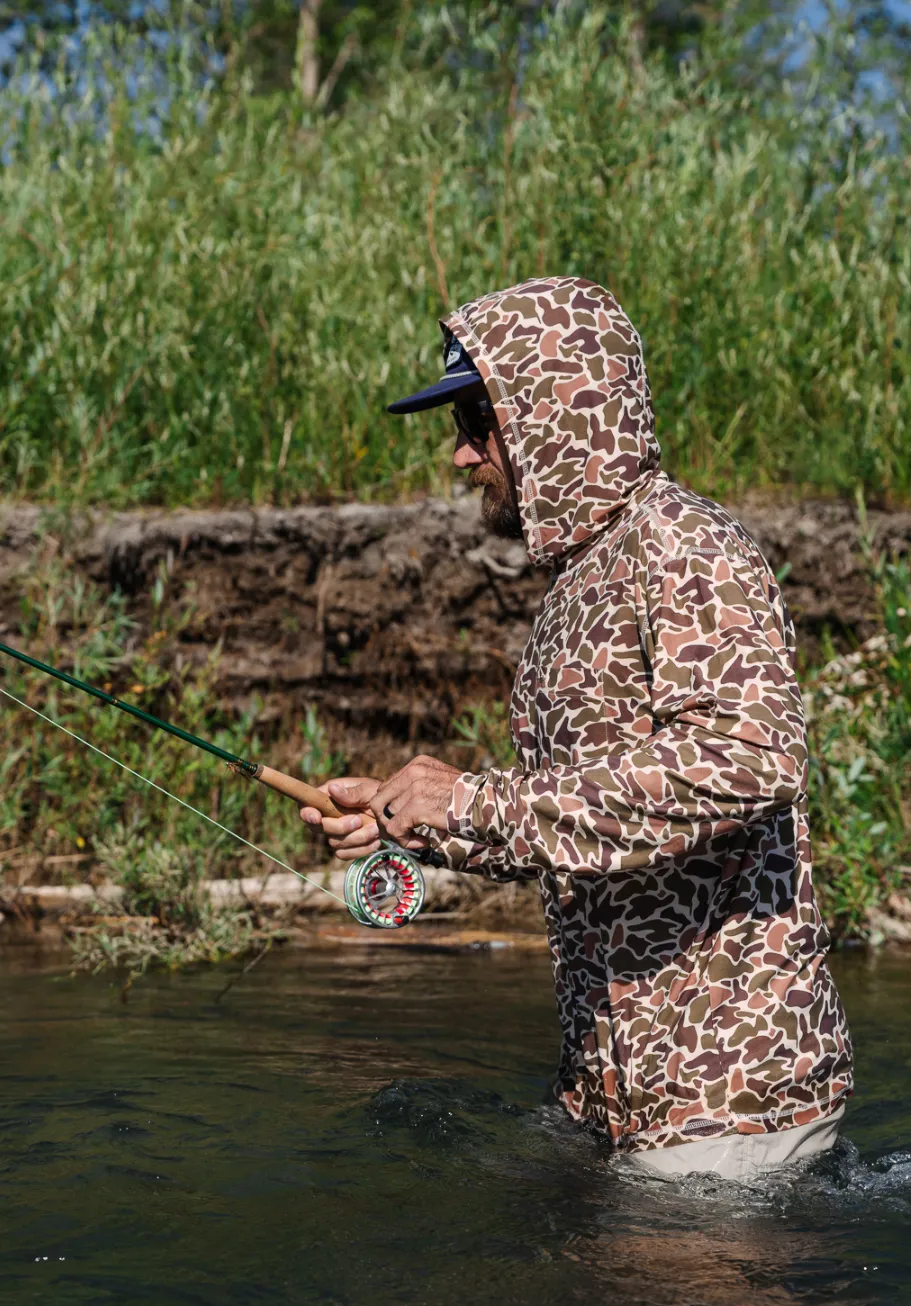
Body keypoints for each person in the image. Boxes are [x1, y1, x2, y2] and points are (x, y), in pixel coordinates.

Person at [301, 277, 853, 1181]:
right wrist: (420, 821)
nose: (460, 454)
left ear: (553, 413)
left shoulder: (683, 549)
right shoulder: (585, 577)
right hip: (611, 1094)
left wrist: (471, 803)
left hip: (721, 1099)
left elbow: (752, 760)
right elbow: (584, 822)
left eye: (478, 421)